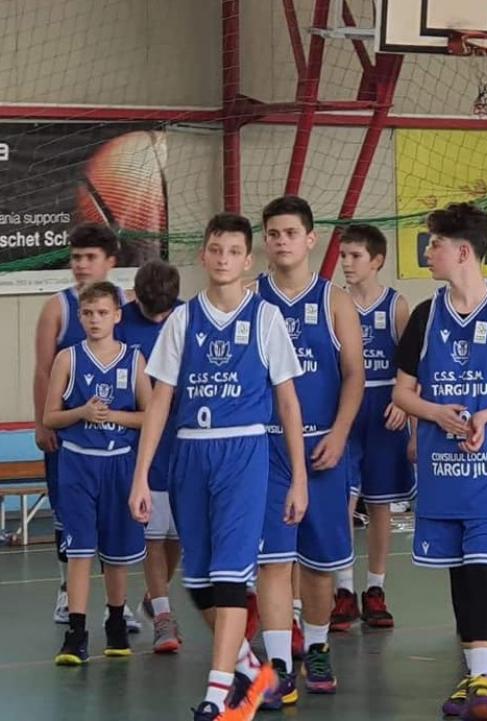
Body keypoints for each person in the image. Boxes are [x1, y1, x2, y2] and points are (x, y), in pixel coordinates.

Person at [129, 213, 308, 721]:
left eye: (233, 251)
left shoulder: (265, 318)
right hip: (189, 454)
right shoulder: (183, 320)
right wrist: (141, 475)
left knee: (230, 579)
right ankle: (250, 667)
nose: (223, 259)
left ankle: (219, 694)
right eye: (216, 249)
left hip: (243, 451)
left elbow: (288, 402)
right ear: (203, 255)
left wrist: (298, 477)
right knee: (200, 582)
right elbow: (160, 401)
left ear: (247, 260)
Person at [393, 202, 487, 720]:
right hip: (442, 470)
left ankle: (483, 679)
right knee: (461, 574)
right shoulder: (425, 316)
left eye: (434, 243)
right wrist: (435, 411)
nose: (427, 251)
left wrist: (486, 416)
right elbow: (402, 393)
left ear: (463, 251)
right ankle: (475, 674)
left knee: (483, 568)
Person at [255, 196, 365, 706]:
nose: (282, 241)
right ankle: (279, 665)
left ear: (310, 239)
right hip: (267, 448)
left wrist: (340, 433)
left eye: (290, 233)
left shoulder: (334, 301)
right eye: (274, 233)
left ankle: (317, 647)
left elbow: (354, 375)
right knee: (273, 562)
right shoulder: (251, 299)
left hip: (322, 443)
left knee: (320, 562)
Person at [34, 223, 140, 631]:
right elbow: (43, 370)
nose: (80, 265)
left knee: (118, 524)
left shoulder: (128, 306)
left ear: (110, 261)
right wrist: (43, 422)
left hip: (119, 443)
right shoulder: (58, 307)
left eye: (89, 257)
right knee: (70, 518)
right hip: (72, 435)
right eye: (75, 257)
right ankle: (67, 593)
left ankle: (119, 606)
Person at [44, 281, 151, 664]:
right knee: (80, 550)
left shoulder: (133, 359)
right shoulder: (67, 359)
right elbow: (50, 417)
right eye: (88, 313)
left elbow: (150, 416)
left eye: (102, 312)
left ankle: (116, 622)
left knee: (117, 553)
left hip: (119, 463)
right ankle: (76, 632)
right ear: (80, 317)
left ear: (117, 316)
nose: (95, 319)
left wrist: (114, 416)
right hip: (78, 463)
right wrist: (82, 412)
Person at [338, 223, 416, 629]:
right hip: (347, 408)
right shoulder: (336, 302)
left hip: (385, 407)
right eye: (343, 255)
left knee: (380, 503)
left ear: (377, 261)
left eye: (355, 256)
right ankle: (342, 589)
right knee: (342, 501)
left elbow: (412, 361)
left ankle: (375, 588)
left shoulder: (395, 305)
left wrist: (404, 400)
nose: (346, 263)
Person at [117, 259, 183, 653]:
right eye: (150, 312)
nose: (158, 319)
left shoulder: (190, 317)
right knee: (153, 532)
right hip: (143, 442)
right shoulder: (121, 322)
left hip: (187, 439)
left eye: (164, 312)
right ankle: (162, 614)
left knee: (178, 534)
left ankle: (155, 596)